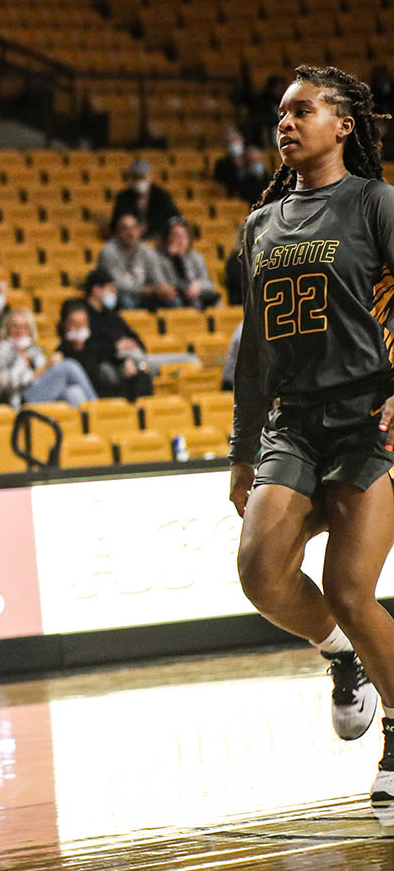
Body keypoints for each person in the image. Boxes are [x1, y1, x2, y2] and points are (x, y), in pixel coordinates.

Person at [229, 66, 394, 811]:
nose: (286, 124)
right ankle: (341, 660)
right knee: (261, 572)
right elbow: (255, 351)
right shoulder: (259, 225)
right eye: (280, 114)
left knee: (351, 589)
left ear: (345, 124)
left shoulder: (375, 203)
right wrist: (241, 448)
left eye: (303, 110)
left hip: (364, 416)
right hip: (291, 421)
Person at [0, 309, 96, 408]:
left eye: (24, 327)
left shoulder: (33, 350)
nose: (20, 330)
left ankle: (93, 425)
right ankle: (100, 409)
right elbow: (3, 384)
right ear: (7, 329)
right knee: (68, 366)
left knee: (74, 392)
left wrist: (48, 368)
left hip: (41, 393)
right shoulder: (1, 350)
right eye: (15, 326)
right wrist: (43, 369)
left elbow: (44, 377)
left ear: (30, 330)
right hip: (19, 398)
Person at [59, 300, 152, 401]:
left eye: (83, 324)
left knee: (142, 377)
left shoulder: (93, 343)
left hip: (108, 391)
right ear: (65, 325)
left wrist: (126, 361)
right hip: (90, 396)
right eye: (74, 324)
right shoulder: (62, 353)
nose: (79, 329)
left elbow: (110, 354)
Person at [97, 215, 176, 309]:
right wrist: (150, 290)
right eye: (125, 229)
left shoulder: (148, 252)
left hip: (143, 294)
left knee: (173, 300)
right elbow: (117, 284)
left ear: (139, 231)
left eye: (134, 228)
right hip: (116, 295)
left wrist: (164, 288)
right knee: (126, 301)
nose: (131, 233)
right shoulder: (108, 252)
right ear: (117, 233)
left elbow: (158, 278)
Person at [107, 158, 183, 240]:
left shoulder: (162, 195)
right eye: (136, 178)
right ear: (131, 178)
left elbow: (175, 217)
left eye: (143, 177)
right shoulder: (122, 197)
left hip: (159, 239)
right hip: (130, 241)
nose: (139, 181)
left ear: (150, 176)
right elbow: (115, 223)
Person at [160, 220, 220, 309]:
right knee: (190, 302)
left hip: (196, 293)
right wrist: (176, 259)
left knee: (216, 299)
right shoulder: (163, 259)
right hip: (177, 296)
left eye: (183, 236)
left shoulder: (197, 257)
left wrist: (199, 285)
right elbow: (168, 284)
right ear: (169, 238)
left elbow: (209, 284)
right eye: (176, 236)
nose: (180, 240)